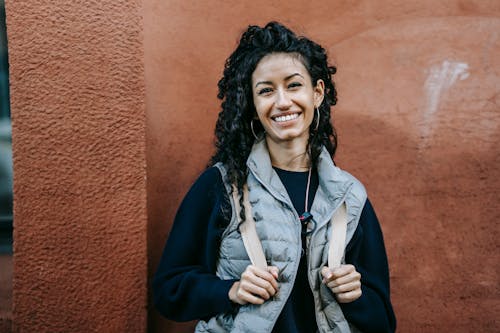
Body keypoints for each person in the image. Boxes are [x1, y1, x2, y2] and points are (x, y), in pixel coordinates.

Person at [153, 22, 396, 333]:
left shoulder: (350, 197)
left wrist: (356, 295)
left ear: (317, 93)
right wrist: (230, 290)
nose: (282, 102)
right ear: (254, 107)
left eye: (294, 85)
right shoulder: (220, 185)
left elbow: (383, 321)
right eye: (266, 90)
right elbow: (168, 290)